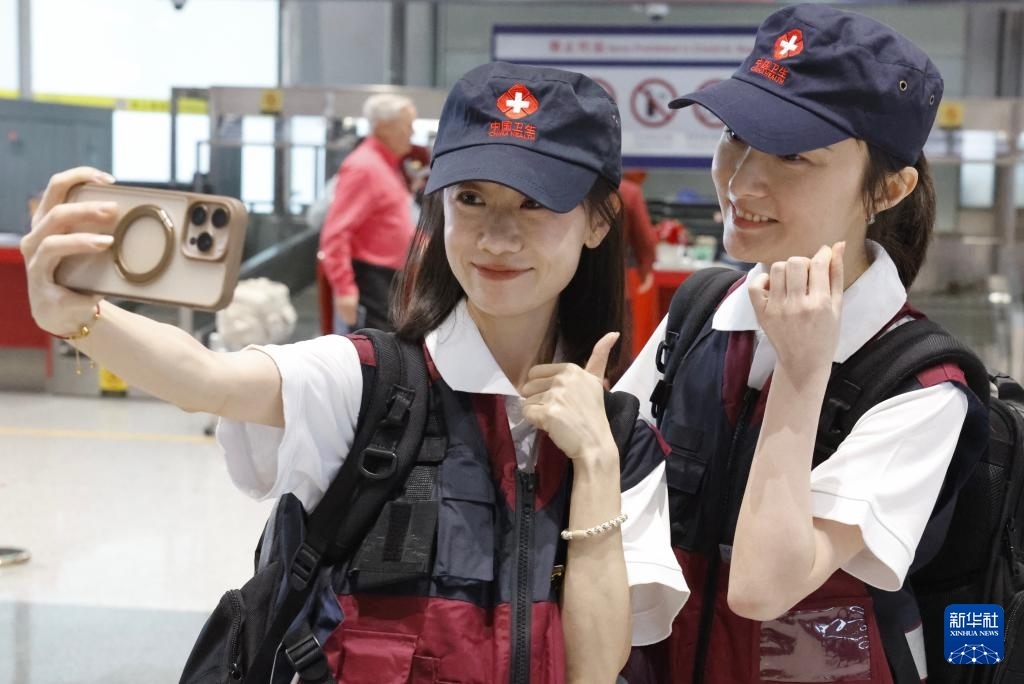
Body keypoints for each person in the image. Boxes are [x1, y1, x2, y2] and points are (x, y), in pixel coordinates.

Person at [21, 61, 687, 683]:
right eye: (471, 198)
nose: (496, 236)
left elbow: (596, 668)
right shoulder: (373, 383)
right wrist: (78, 316)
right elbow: (206, 379)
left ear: (600, 220)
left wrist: (594, 462)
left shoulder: (621, 438)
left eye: (534, 203)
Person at [615, 5, 987, 683]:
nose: (741, 182)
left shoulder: (923, 389)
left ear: (889, 189)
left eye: (792, 155)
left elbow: (763, 588)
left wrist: (802, 371)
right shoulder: (700, 315)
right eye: (735, 135)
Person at [319, 93, 418, 332]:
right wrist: (345, 289)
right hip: (370, 278)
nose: (412, 133)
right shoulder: (364, 167)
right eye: (407, 125)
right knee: (374, 349)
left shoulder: (385, 165)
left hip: (389, 278)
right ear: (384, 126)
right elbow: (336, 233)